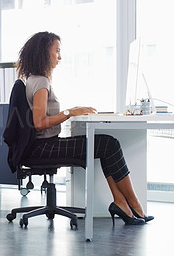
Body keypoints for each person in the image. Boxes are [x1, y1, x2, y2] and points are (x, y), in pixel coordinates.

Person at [17, 31, 154, 225]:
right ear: (43, 52)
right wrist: (69, 112)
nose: (60, 57)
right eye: (57, 51)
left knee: (106, 145)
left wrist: (71, 111)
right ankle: (133, 204)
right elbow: (39, 122)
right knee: (108, 144)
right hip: (42, 148)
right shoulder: (41, 81)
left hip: (40, 146)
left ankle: (122, 202)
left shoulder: (34, 79)